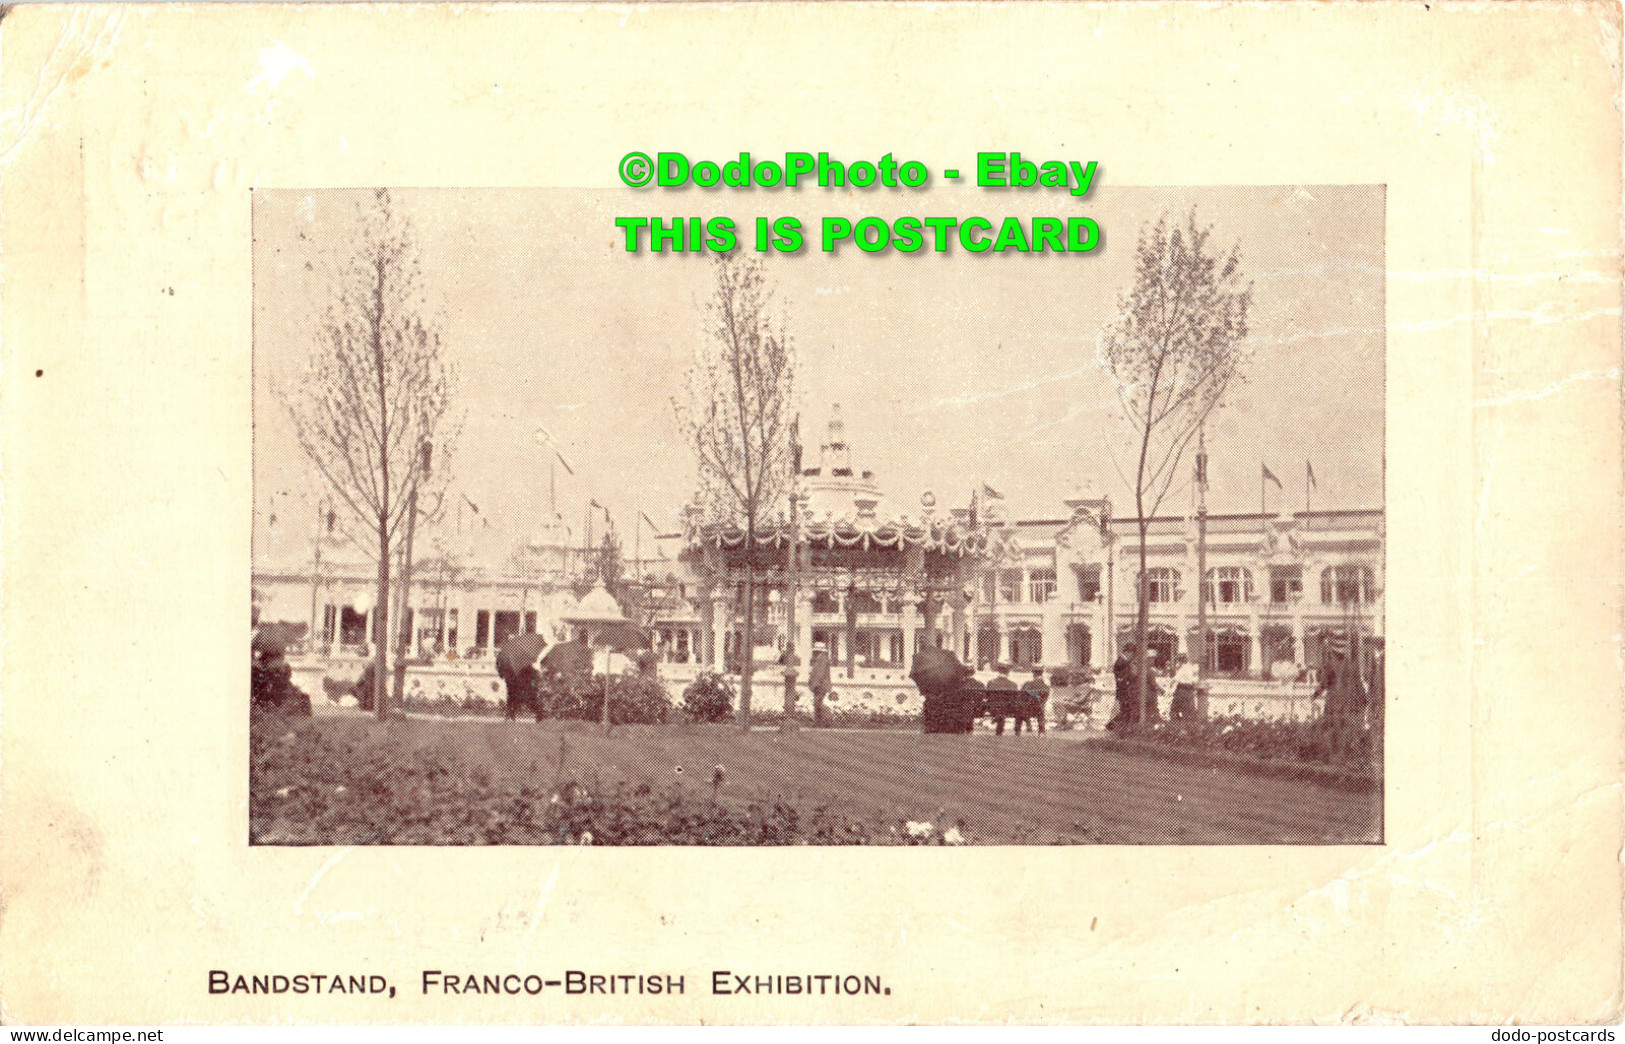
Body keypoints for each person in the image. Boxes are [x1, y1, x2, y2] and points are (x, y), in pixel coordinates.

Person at [1107, 643, 1138, 733]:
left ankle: (1115, 726)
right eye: (1133, 653)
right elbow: (1123, 677)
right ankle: (1114, 726)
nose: (1133, 655)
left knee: (1126, 708)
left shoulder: (1123, 661)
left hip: (1124, 689)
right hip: (1123, 689)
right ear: (1129, 652)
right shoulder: (1121, 662)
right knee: (1125, 708)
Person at [986, 663, 1021, 735]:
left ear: (998, 671)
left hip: (993, 708)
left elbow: (987, 696)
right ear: (1008, 672)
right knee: (1018, 708)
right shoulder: (1013, 685)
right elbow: (1015, 698)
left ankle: (998, 717)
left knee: (999, 710)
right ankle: (1017, 731)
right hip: (1008, 709)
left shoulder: (991, 683)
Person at [1168, 653, 1200, 722]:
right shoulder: (1191, 667)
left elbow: (1176, 678)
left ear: (1181, 661)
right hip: (1189, 689)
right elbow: (1195, 680)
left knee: (1176, 707)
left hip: (1182, 689)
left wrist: (1169, 685)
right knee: (1188, 707)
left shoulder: (1183, 668)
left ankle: (1176, 720)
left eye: (1179, 661)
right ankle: (1187, 720)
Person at [1020, 667, 1050, 734]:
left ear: (1033, 674)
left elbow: (1021, 696)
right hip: (1040, 709)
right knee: (1041, 709)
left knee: (1022, 706)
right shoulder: (1046, 686)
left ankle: (1028, 724)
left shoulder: (1028, 684)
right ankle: (1042, 728)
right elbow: (1045, 699)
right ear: (1041, 674)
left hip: (1029, 708)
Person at [808, 642, 832, 727]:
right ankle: (819, 722)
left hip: (820, 685)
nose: (815, 652)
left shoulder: (822, 659)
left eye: (817, 650)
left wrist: (815, 684)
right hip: (820, 684)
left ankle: (823, 721)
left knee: (818, 703)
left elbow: (820, 674)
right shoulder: (820, 658)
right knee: (817, 703)